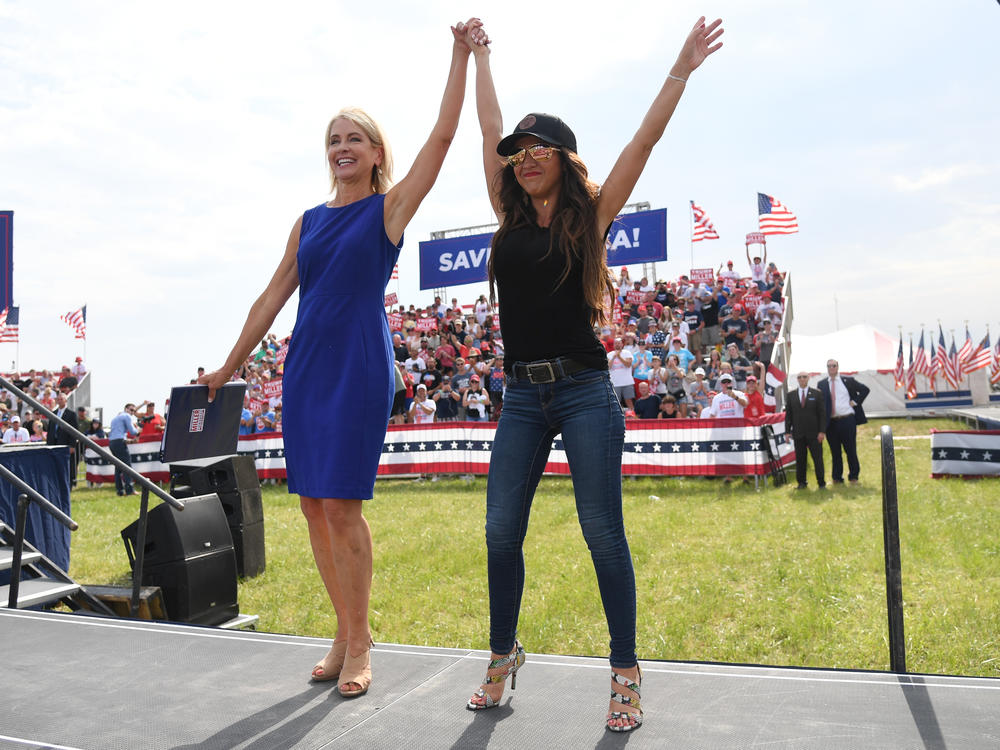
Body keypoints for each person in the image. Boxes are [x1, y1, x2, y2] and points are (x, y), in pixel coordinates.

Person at [199, 18, 482, 699]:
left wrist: (459, 55)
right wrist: (228, 366)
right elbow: (271, 298)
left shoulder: (388, 210)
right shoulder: (309, 220)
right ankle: (344, 627)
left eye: (354, 137)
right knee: (312, 509)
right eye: (334, 140)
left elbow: (443, 140)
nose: (342, 147)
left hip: (357, 364)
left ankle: (359, 643)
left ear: (378, 151)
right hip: (305, 369)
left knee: (345, 508)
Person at [462, 16, 724, 732]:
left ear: (566, 158)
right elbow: (488, 126)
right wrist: (481, 56)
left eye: (538, 149)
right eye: (517, 153)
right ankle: (502, 654)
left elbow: (644, 141)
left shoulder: (592, 214)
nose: (523, 159)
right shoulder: (507, 217)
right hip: (521, 396)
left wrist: (681, 69)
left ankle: (625, 673)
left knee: (601, 532)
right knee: (498, 535)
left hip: (581, 391)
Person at [817, 359, 869, 484]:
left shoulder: (847, 381)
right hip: (832, 422)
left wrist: (855, 402)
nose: (831, 368)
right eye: (829, 366)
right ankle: (837, 477)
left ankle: (854, 476)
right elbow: (820, 403)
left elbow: (865, 390)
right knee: (835, 452)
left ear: (838, 367)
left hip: (847, 420)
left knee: (850, 449)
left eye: (833, 366)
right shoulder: (822, 384)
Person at [785, 371, 826, 489]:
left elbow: (822, 414)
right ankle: (801, 482)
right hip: (798, 433)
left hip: (814, 433)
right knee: (800, 459)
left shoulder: (817, 394)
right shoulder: (791, 395)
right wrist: (787, 432)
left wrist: (822, 431)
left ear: (808, 378)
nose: (802, 379)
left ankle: (821, 482)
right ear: (797, 379)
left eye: (804, 377)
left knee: (817, 459)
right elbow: (789, 415)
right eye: (799, 377)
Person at [46, 392, 79, 485]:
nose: (59, 401)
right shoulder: (54, 413)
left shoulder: (71, 414)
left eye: (61, 399)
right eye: (58, 399)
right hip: (54, 443)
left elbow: (74, 431)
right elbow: (50, 430)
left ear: (66, 400)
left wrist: (72, 445)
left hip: (65, 443)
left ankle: (69, 483)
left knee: (67, 465)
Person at [108, 403, 139, 496]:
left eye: (134, 411)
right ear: (126, 409)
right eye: (131, 410)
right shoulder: (127, 417)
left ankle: (120, 491)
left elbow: (118, 433)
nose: (132, 412)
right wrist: (139, 429)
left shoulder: (115, 418)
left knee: (118, 467)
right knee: (127, 466)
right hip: (119, 442)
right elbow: (133, 432)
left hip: (112, 443)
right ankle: (129, 490)